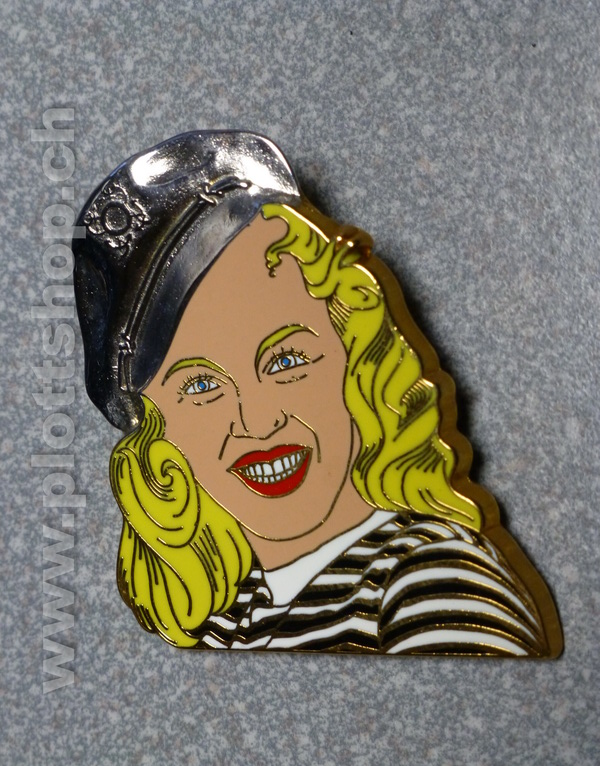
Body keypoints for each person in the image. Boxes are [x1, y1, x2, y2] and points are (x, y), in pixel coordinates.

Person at [74, 131, 562, 656]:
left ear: (359, 355)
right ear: (157, 431)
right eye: (201, 385)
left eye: (286, 360)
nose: (257, 422)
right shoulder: (228, 614)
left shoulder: (431, 588)